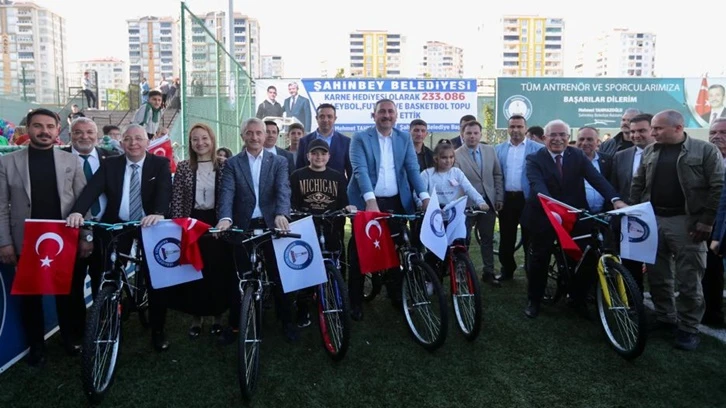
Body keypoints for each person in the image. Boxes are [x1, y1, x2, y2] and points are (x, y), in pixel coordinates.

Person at [66, 124, 173, 352]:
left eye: (139, 139)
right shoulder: (110, 164)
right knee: (109, 271)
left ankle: (158, 329)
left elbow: (165, 191)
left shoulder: (160, 164)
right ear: (121, 142)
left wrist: (159, 212)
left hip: (150, 224)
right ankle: (110, 315)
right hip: (118, 224)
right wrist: (77, 211)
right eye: (128, 139)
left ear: (147, 142)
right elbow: (91, 190)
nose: (133, 143)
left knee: (155, 279)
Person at [0, 109, 90, 366]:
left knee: (67, 294)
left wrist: (86, 236)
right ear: (28, 129)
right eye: (38, 126)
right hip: (25, 240)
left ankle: (69, 338)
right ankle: (37, 346)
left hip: (65, 239)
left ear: (58, 129)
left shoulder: (71, 161)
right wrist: (5, 242)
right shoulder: (8, 162)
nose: (44, 131)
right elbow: (1, 206)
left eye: (50, 126)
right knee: (31, 297)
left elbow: (83, 202)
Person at [631, 110, 723, 351]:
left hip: (687, 223)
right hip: (653, 219)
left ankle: (688, 328)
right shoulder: (651, 151)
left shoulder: (705, 150)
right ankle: (665, 317)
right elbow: (638, 183)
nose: (653, 133)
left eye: (658, 128)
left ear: (678, 128)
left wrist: (707, 221)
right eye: (653, 128)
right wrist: (634, 213)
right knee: (657, 274)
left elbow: (717, 187)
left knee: (689, 278)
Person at [523, 119, 626, 319]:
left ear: (568, 137)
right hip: (545, 214)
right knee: (540, 259)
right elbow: (537, 185)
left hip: (574, 214)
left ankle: (577, 298)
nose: (558, 139)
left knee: (585, 256)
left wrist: (616, 199)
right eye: (553, 135)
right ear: (544, 138)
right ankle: (534, 300)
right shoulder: (534, 158)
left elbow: (596, 179)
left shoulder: (577, 155)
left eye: (562, 135)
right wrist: (552, 205)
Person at [347, 99, 430, 321]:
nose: (386, 115)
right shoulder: (360, 138)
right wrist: (370, 200)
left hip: (395, 200)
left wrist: (425, 197)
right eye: (382, 111)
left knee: (397, 247)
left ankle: (396, 295)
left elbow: (412, 169)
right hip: (367, 200)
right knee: (360, 251)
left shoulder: (404, 138)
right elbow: (360, 170)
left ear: (396, 115)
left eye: (390, 111)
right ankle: (355, 300)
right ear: (373, 115)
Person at [215, 118, 295, 343]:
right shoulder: (233, 163)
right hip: (243, 225)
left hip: (271, 224)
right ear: (243, 136)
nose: (254, 137)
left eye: (259, 132)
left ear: (265, 135)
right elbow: (227, 193)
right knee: (239, 277)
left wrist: (281, 214)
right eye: (249, 133)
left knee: (280, 275)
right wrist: (225, 218)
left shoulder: (278, 161)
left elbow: (283, 190)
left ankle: (287, 321)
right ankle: (235, 325)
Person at [168, 123, 230, 338]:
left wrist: (224, 222)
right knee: (194, 270)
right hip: (192, 223)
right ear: (190, 143)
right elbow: (177, 199)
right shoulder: (184, 167)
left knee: (216, 271)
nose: (200, 143)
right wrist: (179, 225)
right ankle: (196, 317)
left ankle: (217, 316)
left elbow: (229, 196)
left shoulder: (224, 165)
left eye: (204, 138)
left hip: (216, 223)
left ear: (212, 140)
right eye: (195, 139)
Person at [289, 139, 355, 327]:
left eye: (323, 153)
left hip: (331, 226)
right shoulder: (297, 176)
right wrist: (294, 213)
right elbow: (292, 201)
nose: (319, 157)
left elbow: (343, 201)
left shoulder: (337, 177)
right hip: (306, 226)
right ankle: (303, 306)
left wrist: (347, 208)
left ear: (329, 156)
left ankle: (336, 298)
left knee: (335, 261)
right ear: (307, 156)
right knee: (306, 266)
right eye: (315, 153)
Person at [62, 117, 119, 300]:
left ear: (97, 135)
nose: (84, 136)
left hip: (105, 229)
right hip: (70, 229)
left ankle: (102, 317)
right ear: (70, 135)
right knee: (72, 286)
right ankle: (74, 320)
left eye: (89, 132)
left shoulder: (113, 158)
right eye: (78, 132)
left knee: (103, 281)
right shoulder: (58, 158)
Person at [494, 115, 544, 281]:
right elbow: (497, 175)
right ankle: (507, 270)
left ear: (525, 128)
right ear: (508, 129)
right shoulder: (499, 149)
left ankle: (531, 271)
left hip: (529, 200)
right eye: (512, 127)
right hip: (507, 200)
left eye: (519, 126)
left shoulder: (538, 149)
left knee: (530, 237)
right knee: (506, 237)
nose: (515, 130)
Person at [454, 121, 504, 287]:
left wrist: (499, 197)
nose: (472, 136)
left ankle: (488, 272)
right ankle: (461, 273)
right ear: (462, 135)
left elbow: (497, 174)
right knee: (463, 240)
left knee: (487, 239)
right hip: (466, 205)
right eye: (469, 133)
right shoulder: (456, 155)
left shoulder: (490, 150)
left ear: (481, 134)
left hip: (488, 203)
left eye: (476, 133)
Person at [609, 113, 654, 293]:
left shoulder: (665, 153)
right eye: (633, 131)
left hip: (658, 218)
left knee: (659, 269)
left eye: (642, 130)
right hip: (629, 220)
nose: (636, 135)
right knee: (630, 266)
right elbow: (615, 187)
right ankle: (635, 301)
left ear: (653, 130)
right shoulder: (621, 156)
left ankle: (663, 306)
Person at [296, 103, 352, 178]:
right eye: (322, 116)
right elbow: (299, 170)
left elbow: (350, 171)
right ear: (317, 118)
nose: (325, 120)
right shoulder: (304, 141)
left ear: (335, 119)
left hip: (337, 185)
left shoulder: (346, 142)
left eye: (329, 116)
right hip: (310, 184)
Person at [707, 119, 726, 328]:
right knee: (711, 270)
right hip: (710, 224)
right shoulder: (705, 159)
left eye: (723, 132)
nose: (717, 136)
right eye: (713, 132)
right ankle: (713, 313)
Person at [575, 126, 613, 212]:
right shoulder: (568, 160)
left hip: (604, 214)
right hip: (579, 213)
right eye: (581, 139)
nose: (585, 143)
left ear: (597, 142)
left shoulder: (607, 160)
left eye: (589, 139)